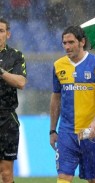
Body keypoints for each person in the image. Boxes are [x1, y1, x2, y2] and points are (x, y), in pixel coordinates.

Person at [49, 25, 95, 183]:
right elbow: (56, 98)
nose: (67, 47)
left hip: (91, 131)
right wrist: (52, 130)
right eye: (64, 43)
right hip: (66, 132)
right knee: (64, 176)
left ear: (82, 42)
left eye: (71, 42)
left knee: (94, 179)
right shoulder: (58, 66)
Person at [0, 17, 27, 183]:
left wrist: (1, 72)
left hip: (6, 119)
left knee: (6, 174)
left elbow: (21, 82)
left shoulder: (15, 56)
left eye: (1, 31)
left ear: (8, 34)